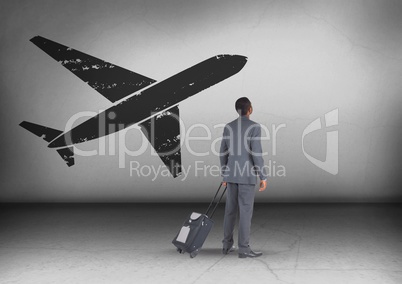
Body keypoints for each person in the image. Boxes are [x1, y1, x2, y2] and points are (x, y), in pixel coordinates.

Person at [219, 97, 267, 258]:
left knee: (230, 211)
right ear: (250, 109)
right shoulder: (254, 127)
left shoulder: (228, 127)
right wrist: (263, 176)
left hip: (231, 174)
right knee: (245, 212)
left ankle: (226, 246)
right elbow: (256, 153)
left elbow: (223, 153)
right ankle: (244, 249)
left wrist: (225, 173)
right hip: (246, 175)